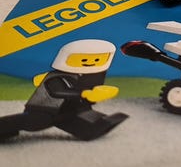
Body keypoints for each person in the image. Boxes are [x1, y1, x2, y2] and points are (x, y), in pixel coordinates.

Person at [0, 39, 128, 141]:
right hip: (45, 110)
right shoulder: (56, 76)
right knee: (32, 123)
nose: (90, 62)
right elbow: (57, 91)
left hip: (71, 111)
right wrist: (85, 94)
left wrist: (99, 93)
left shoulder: (92, 76)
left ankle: (94, 127)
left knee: (76, 120)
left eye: (96, 59)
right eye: (84, 59)